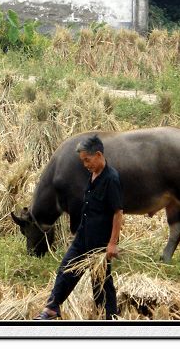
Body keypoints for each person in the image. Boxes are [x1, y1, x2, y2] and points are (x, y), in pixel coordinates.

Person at [34, 135, 124, 320]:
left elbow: (118, 213)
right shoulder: (92, 174)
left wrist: (112, 243)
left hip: (99, 239)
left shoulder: (111, 179)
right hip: (83, 235)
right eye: (82, 161)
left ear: (98, 155)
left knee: (101, 280)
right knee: (66, 268)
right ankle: (52, 308)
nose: (85, 165)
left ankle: (110, 317)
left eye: (87, 160)